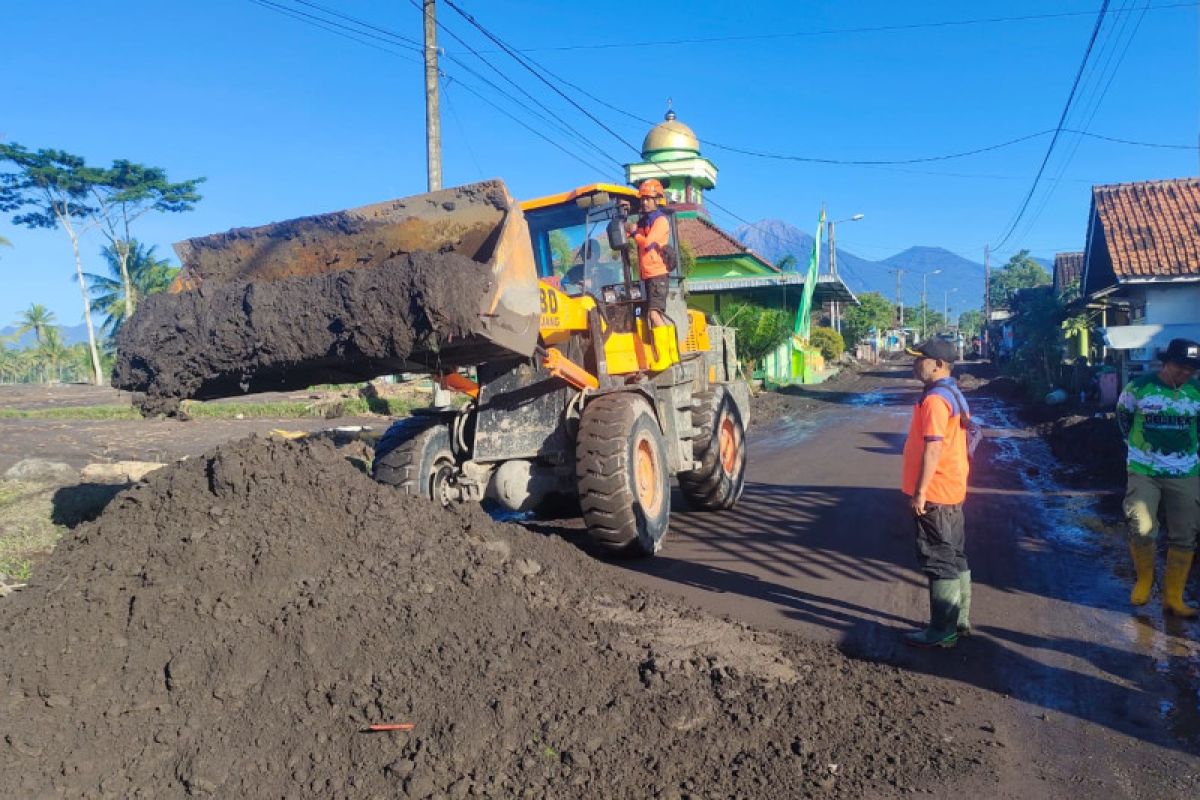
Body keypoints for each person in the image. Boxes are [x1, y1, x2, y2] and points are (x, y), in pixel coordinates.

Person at [1117, 337, 1200, 618]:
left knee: (1186, 534)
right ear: (1166, 362)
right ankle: (1144, 580)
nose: (1186, 373)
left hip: (1186, 471)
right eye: (1180, 367)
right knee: (1141, 526)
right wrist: (1136, 450)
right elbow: (1123, 417)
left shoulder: (1197, 390)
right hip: (1145, 470)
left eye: (1192, 369)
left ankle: (1173, 598)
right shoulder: (1139, 387)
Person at [901, 338, 972, 648]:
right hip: (953, 487)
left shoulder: (934, 400)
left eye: (921, 359)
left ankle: (942, 631)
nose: (916, 364)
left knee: (938, 559)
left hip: (936, 492)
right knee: (955, 555)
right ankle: (960, 621)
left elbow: (933, 448)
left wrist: (920, 492)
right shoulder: (953, 393)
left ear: (939, 365)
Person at [627, 178, 670, 327]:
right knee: (644, 317)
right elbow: (629, 234)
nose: (644, 202)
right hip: (646, 277)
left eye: (648, 199)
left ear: (657, 200)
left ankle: (667, 351)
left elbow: (647, 243)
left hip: (658, 276)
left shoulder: (661, 221)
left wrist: (634, 234)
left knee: (654, 314)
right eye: (643, 199)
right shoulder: (644, 222)